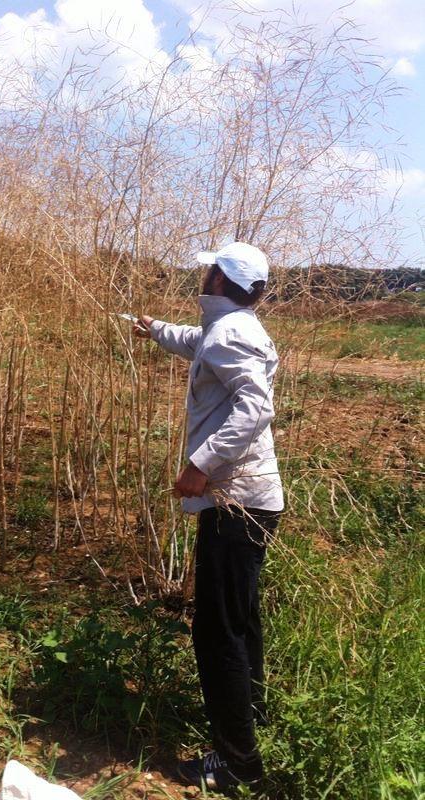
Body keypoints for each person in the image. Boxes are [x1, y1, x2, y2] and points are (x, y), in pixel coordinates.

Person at [134, 241, 284, 795]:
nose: (203, 271)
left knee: (217, 632)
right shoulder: (231, 327)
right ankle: (254, 721)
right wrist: (154, 328)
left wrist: (201, 465)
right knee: (239, 620)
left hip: (233, 501)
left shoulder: (232, 332)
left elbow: (256, 406)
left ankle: (237, 763)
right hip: (248, 500)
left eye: (209, 267)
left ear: (219, 279)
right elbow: (199, 343)